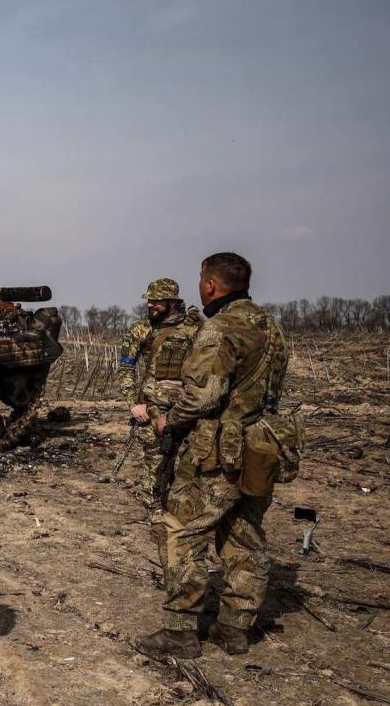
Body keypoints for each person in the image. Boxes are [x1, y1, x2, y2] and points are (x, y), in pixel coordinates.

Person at [135, 253, 289, 658]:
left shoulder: (218, 329)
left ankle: (180, 632)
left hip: (218, 451)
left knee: (181, 531)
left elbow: (204, 395)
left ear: (210, 285)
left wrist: (169, 419)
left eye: (202, 280)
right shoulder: (270, 327)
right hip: (261, 445)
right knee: (244, 534)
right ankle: (234, 628)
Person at [116, 278, 203, 568]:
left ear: (172, 302)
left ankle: (182, 524)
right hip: (151, 412)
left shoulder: (195, 328)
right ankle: (158, 523)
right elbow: (126, 366)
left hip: (187, 413)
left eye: (156, 301)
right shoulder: (141, 328)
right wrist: (133, 402)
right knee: (154, 470)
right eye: (148, 300)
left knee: (186, 472)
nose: (150, 305)